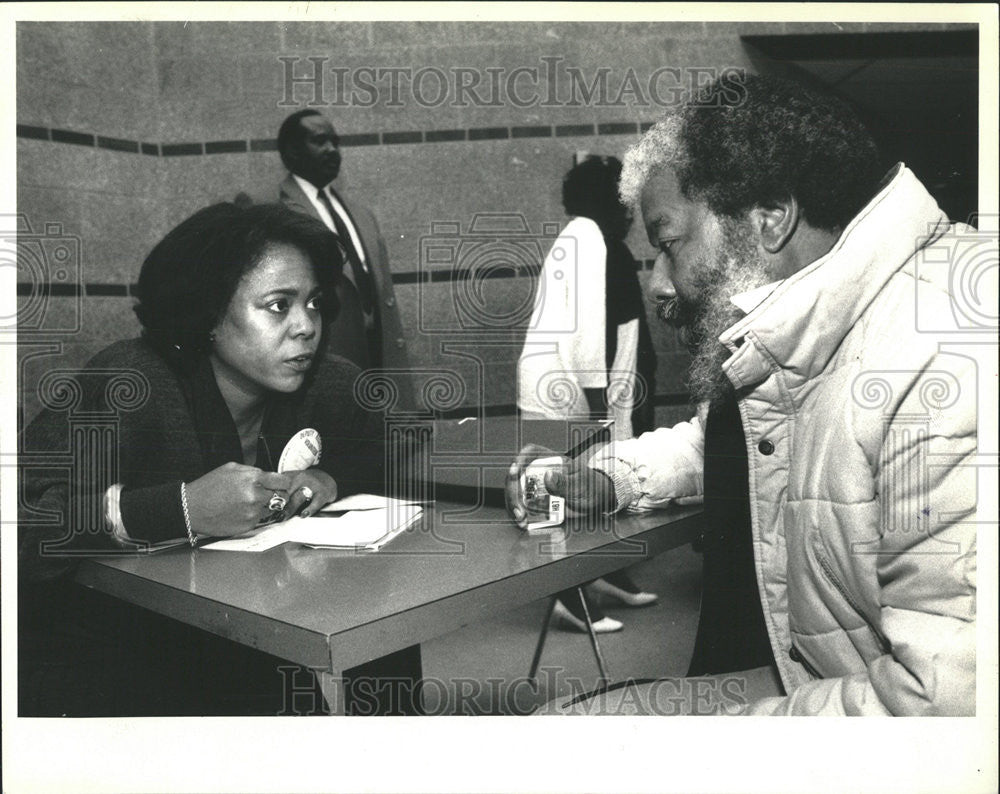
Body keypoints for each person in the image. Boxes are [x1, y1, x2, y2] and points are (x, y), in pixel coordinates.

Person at [509, 73, 982, 715]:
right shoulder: (833, 324)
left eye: (670, 244)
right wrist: (608, 476)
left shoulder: (948, 363)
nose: (660, 286)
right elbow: (735, 440)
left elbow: (939, 711)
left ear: (770, 218)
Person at [17, 203, 421, 715]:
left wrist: (330, 476)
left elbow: (404, 444)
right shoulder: (128, 383)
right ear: (207, 313)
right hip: (98, 660)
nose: (306, 326)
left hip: (247, 642)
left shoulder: (328, 381)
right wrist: (178, 509)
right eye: (279, 305)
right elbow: (21, 524)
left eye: (314, 303)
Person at [517, 156, 659, 634]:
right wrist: (599, 398)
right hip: (565, 388)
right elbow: (584, 328)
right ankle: (566, 599)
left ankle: (601, 576)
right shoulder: (586, 237)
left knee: (591, 486)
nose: (632, 209)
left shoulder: (592, 239)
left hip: (578, 387)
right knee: (551, 499)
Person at [277, 109, 408, 381]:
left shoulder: (360, 213)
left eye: (336, 142)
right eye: (320, 141)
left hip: (376, 359)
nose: (332, 150)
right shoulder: (272, 208)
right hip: (323, 361)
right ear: (291, 152)